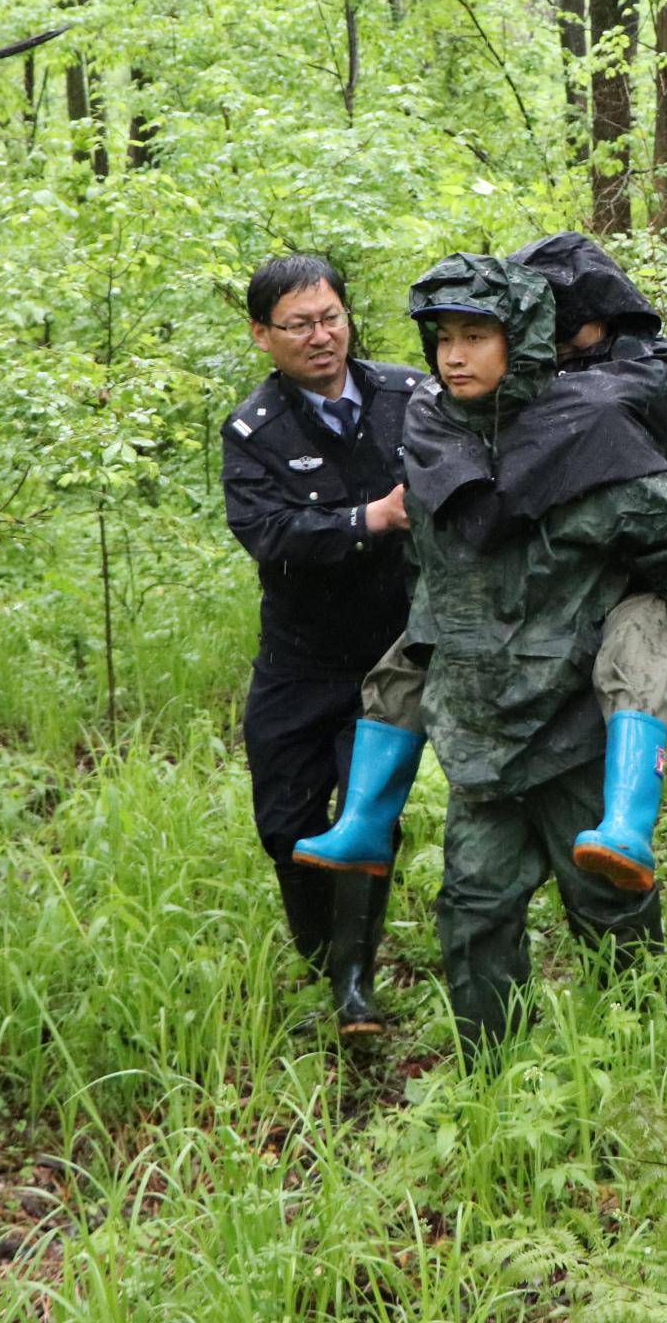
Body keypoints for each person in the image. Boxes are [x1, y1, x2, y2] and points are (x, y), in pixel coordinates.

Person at [302, 253, 667, 1052]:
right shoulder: (435, 437)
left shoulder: (593, 442)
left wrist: (651, 665)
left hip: (576, 728)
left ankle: (641, 1065)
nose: (454, 356)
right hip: (478, 729)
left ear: (524, 339)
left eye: (476, 336)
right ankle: (490, 1080)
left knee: (609, 909)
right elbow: (432, 573)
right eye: (442, 339)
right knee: (473, 908)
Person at [220, 255, 421, 1039]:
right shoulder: (255, 429)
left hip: (390, 657)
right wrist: (367, 520)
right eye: (299, 324)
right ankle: (318, 956)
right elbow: (267, 533)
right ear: (262, 336)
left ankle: (354, 981)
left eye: (330, 316)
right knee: (285, 820)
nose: (321, 336)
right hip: (300, 658)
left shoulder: (409, 395)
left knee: (368, 814)